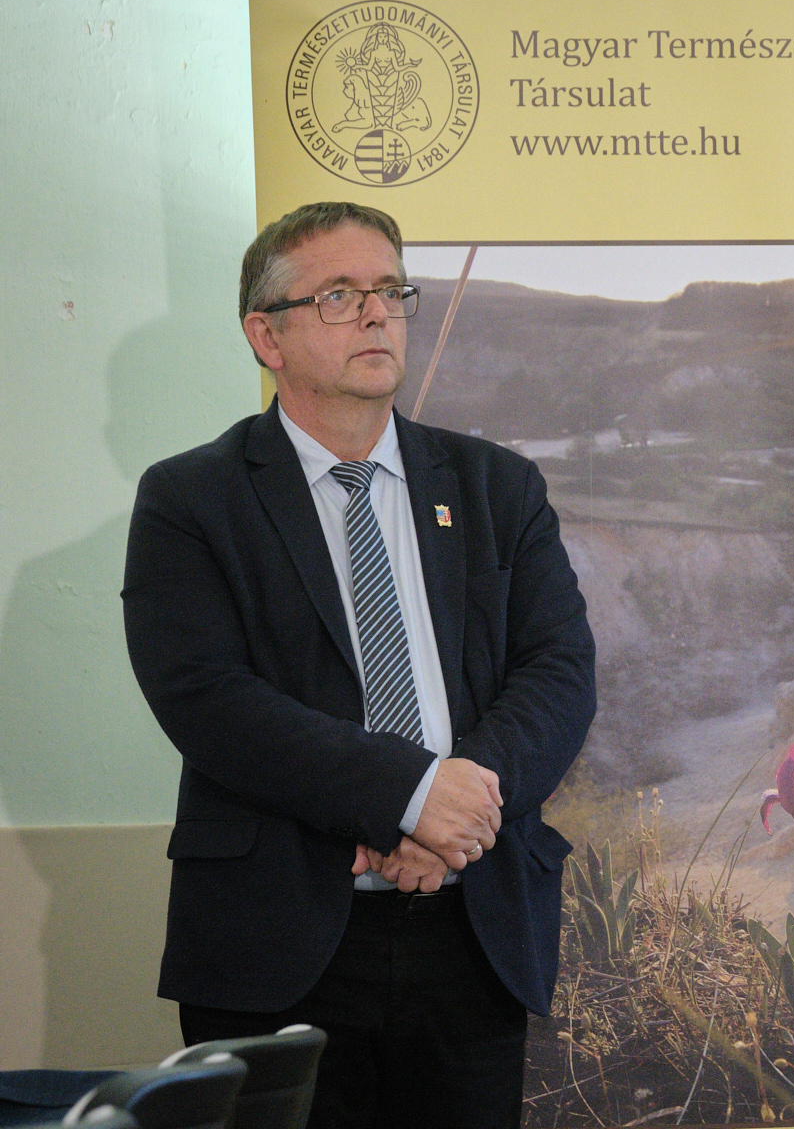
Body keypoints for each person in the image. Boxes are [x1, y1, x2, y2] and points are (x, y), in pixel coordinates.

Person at [123, 202, 596, 1128]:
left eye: (389, 290)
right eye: (339, 295)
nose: (378, 313)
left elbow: (558, 671)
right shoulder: (191, 498)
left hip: (471, 928)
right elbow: (207, 698)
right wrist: (408, 796)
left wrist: (452, 816)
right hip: (278, 939)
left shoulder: (497, 486)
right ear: (267, 336)